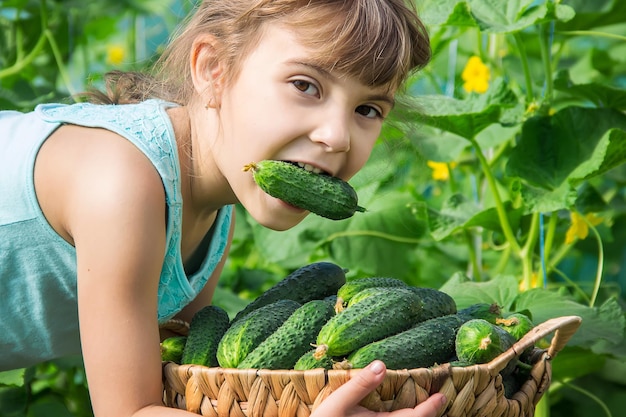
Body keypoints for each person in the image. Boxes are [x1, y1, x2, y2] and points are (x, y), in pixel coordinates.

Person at [0, 0, 445, 416]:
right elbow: (130, 411)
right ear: (213, 70)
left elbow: (189, 383)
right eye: (305, 85)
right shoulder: (123, 184)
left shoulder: (216, 198)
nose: (337, 136)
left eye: (367, 109)